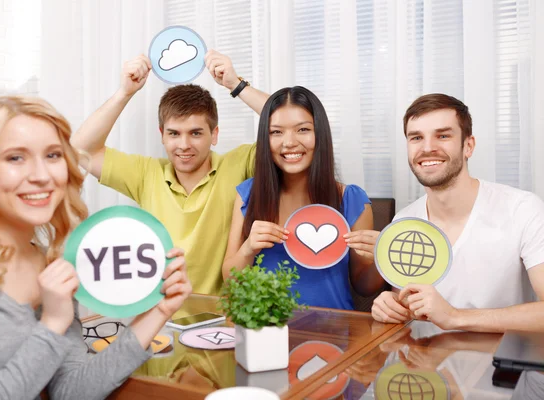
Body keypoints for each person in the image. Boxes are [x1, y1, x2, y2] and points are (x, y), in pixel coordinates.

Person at [0, 96, 192, 399]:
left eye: (52, 155)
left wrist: (158, 312)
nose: (41, 176)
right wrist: (52, 324)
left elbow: (71, 391)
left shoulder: (51, 263)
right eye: (15, 158)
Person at [70, 50, 270, 296]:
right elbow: (79, 149)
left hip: (220, 322)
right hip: (158, 321)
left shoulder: (238, 164)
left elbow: (290, 127)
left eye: (195, 133)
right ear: (162, 134)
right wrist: (125, 93)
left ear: (214, 135)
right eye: (174, 133)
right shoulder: (146, 174)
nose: (184, 144)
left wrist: (236, 84)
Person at [346, 93, 544, 332]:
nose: (428, 148)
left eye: (443, 135)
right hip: (424, 364)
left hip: (502, 365)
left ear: (468, 146)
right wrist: (390, 307)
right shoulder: (404, 222)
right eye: (416, 137)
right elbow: (407, 306)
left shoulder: (523, 209)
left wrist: (455, 317)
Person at [222, 86, 385, 309]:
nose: (289, 142)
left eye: (303, 130)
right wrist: (248, 248)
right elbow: (231, 282)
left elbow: (363, 286)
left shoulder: (351, 200)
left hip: (333, 332)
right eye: (276, 132)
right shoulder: (248, 195)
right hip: (266, 329)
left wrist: (382, 258)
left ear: (320, 134)